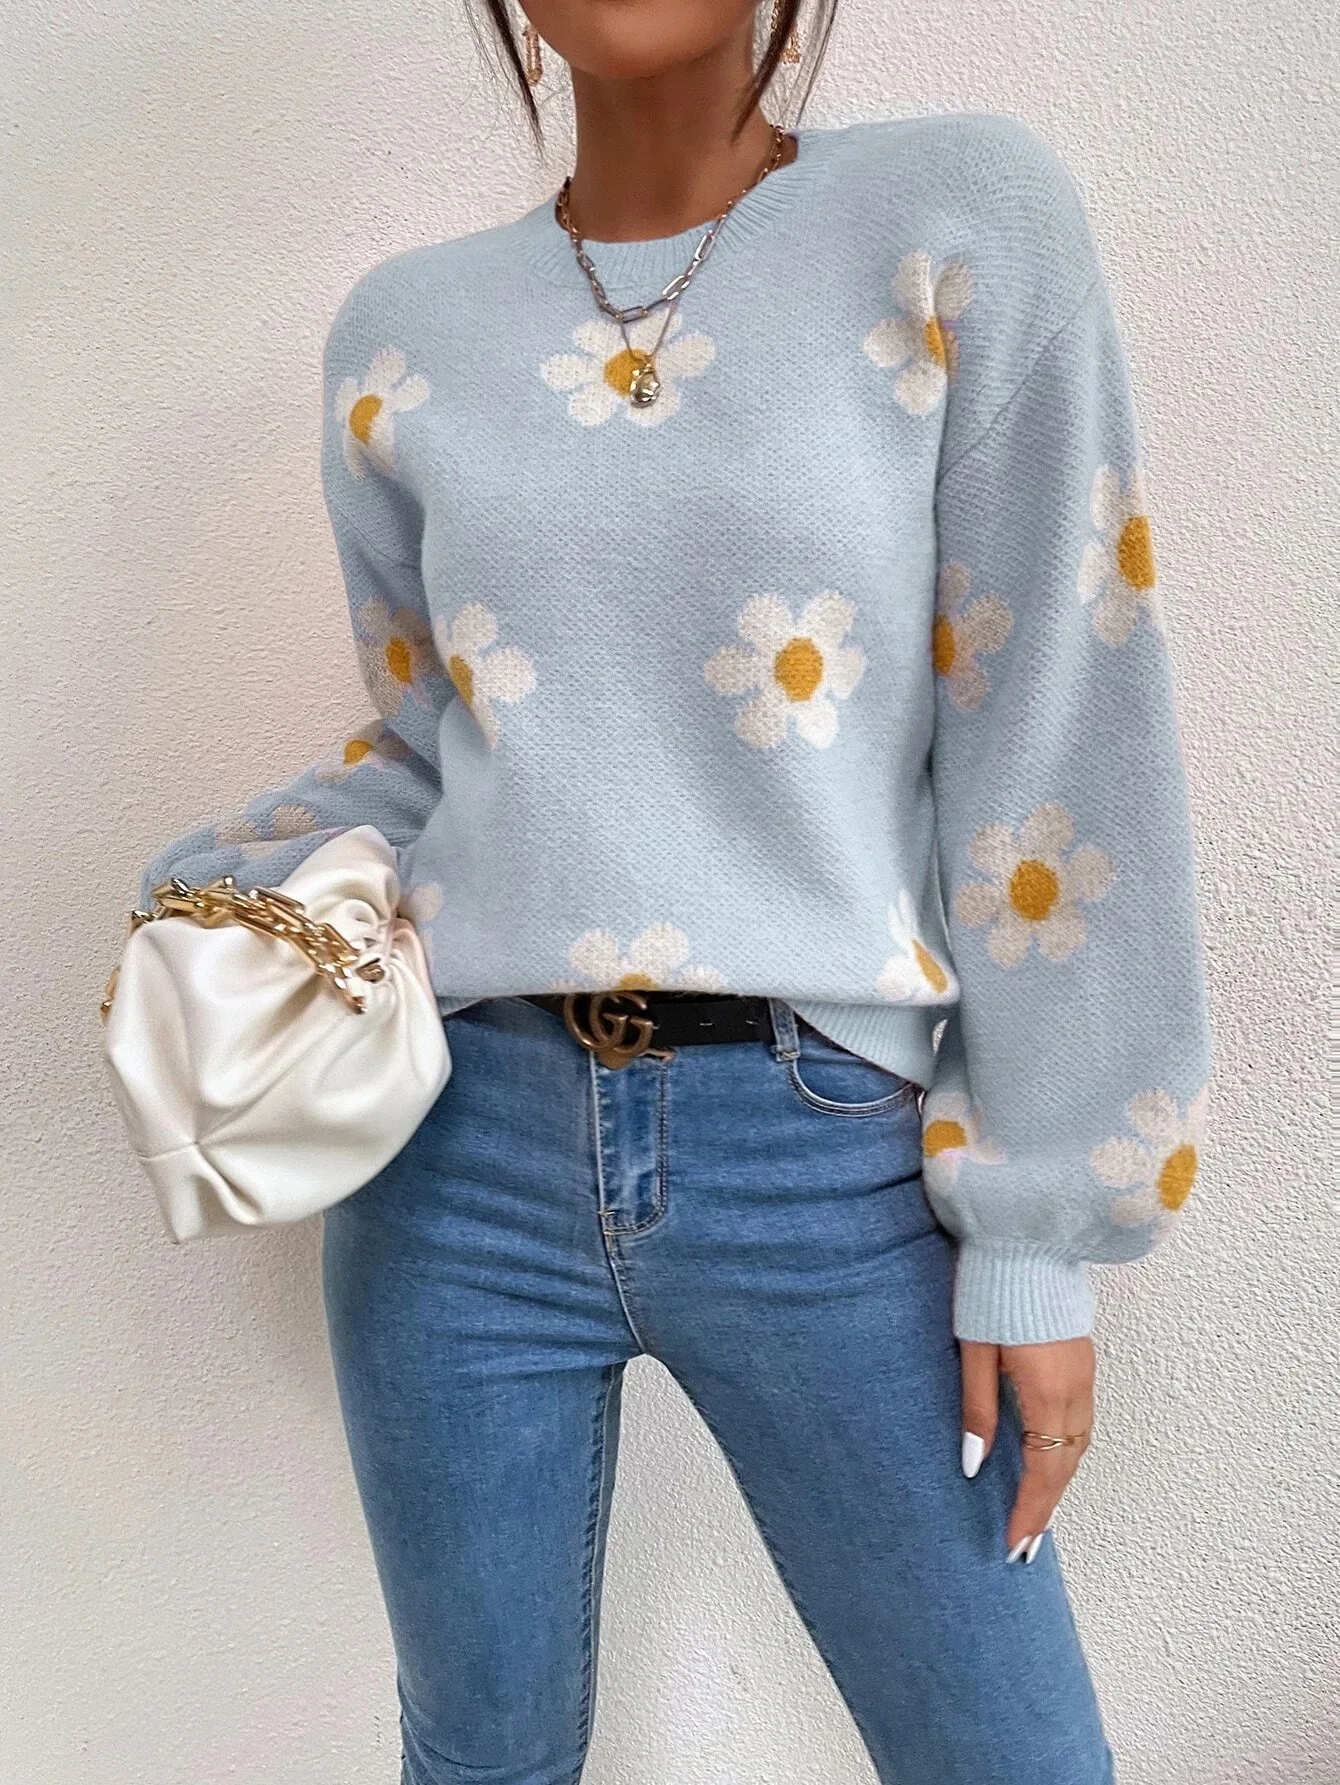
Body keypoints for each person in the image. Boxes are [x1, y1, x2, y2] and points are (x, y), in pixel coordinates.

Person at [132, 2, 1212, 1779]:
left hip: (829, 1156)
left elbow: (1055, 722)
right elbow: (441, 747)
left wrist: (1041, 1227)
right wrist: (228, 886)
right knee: (479, 1759)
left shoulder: (960, 220)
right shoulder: (403, 332)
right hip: (454, 1160)